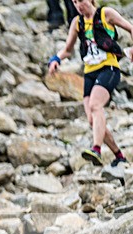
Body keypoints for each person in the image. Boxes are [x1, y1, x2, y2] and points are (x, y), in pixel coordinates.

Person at [48, 0, 133, 167]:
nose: (79, 5)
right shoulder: (77, 22)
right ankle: (119, 155)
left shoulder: (105, 14)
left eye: (82, 1)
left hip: (108, 69)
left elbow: (130, 27)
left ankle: (96, 149)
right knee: (92, 120)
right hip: (90, 73)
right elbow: (67, 49)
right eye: (75, 2)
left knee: (95, 106)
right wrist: (56, 59)